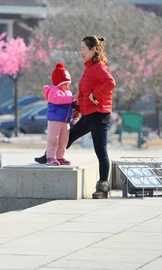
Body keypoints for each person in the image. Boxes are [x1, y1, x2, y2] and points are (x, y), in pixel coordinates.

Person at [35, 36, 116, 199]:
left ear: (93, 50)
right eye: (80, 49)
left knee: (101, 151)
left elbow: (110, 83)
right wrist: (78, 109)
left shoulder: (99, 67)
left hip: (99, 115)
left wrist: (95, 95)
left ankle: (103, 186)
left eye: (83, 49)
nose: (81, 52)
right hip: (88, 115)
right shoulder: (89, 67)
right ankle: (50, 155)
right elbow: (85, 93)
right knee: (69, 136)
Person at [43, 62, 76, 166]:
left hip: (65, 121)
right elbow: (58, 99)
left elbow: (70, 103)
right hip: (55, 120)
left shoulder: (68, 93)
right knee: (53, 140)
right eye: (64, 84)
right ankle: (51, 157)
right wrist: (72, 99)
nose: (67, 86)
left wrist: (76, 104)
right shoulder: (53, 91)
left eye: (68, 84)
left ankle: (60, 156)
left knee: (63, 141)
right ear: (58, 83)